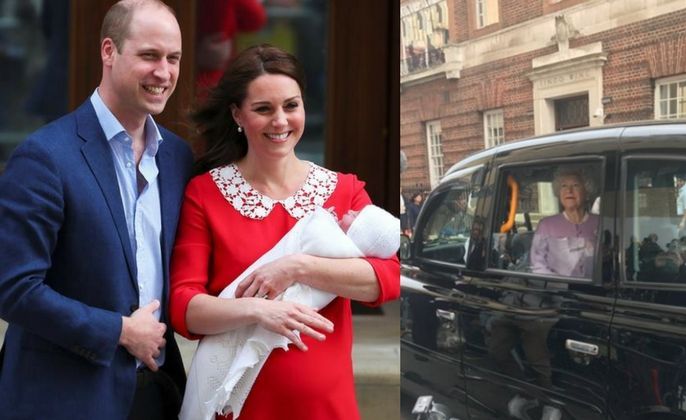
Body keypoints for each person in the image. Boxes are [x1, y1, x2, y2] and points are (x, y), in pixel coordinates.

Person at [169, 44, 400, 420]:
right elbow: (184, 307)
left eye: (291, 106)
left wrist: (297, 267)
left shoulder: (344, 191)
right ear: (237, 115)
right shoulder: (205, 194)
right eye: (264, 109)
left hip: (328, 408)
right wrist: (259, 311)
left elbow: (387, 279)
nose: (280, 121)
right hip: (239, 408)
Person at [0, 1, 192, 418]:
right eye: (149, 56)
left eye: (172, 58)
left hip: (156, 393)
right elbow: (14, 289)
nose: (164, 72)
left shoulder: (177, 158)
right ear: (109, 51)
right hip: (64, 400)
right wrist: (119, 331)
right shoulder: (44, 157)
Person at [531, 167, 599, 278]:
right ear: (558, 193)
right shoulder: (546, 225)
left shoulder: (600, 222)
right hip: (560, 292)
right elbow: (538, 265)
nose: (569, 190)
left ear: (586, 191)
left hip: (596, 292)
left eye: (575, 185)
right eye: (564, 186)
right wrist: (562, 286)